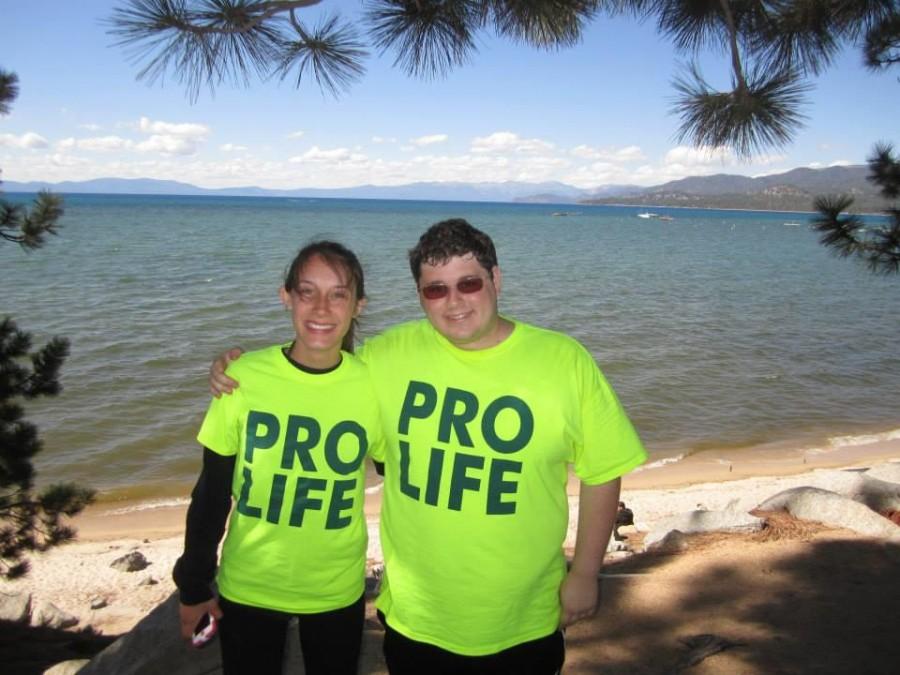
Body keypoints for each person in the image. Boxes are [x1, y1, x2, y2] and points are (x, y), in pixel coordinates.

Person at [210, 219, 647, 674]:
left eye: (469, 284)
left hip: (524, 617)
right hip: (417, 618)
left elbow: (602, 469)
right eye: (435, 289)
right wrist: (238, 372)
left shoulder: (564, 361)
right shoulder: (386, 355)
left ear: (495, 280)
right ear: (420, 296)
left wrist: (584, 573)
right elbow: (316, 370)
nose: (454, 302)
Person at [174, 240, 384, 675]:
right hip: (250, 584)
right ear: (285, 296)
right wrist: (193, 586)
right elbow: (212, 491)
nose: (322, 308)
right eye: (307, 291)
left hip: (336, 589)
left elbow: (404, 477)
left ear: (358, 305)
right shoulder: (243, 378)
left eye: (338, 294)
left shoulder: (376, 387)